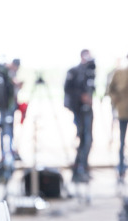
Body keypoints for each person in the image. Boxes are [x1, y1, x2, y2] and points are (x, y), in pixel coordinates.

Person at [64, 49, 96, 183]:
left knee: (88, 140)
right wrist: (81, 97)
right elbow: (67, 89)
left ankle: (83, 167)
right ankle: (78, 170)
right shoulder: (74, 71)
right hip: (78, 110)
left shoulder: (90, 72)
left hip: (88, 110)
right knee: (83, 138)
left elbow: (91, 88)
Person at [0, 58, 23, 158]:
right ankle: (5, 153)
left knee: (10, 127)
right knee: (4, 127)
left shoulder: (10, 73)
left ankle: (10, 150)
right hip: (3, 105)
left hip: (10, 104)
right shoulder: (3, 72)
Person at [109, 54, 128, 181]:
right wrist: (116, 101)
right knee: (122, 142)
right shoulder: (119, 73)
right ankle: (121, 168)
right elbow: (111, 90)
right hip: (123, 112)